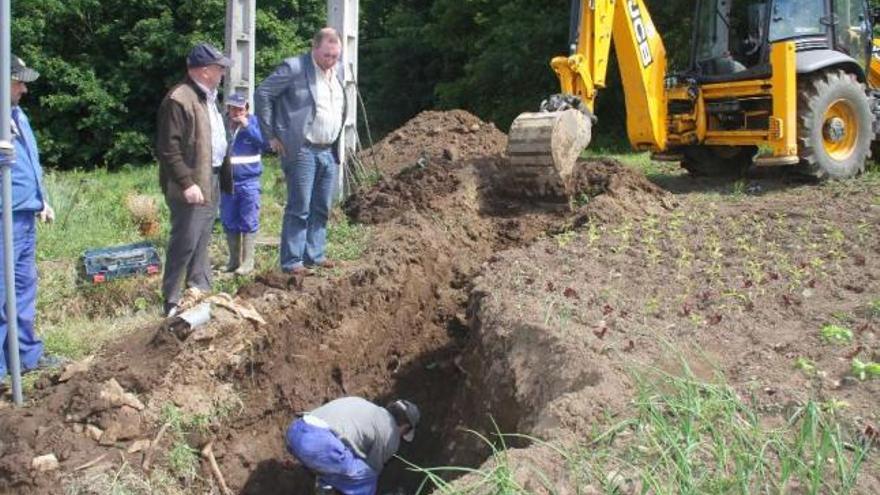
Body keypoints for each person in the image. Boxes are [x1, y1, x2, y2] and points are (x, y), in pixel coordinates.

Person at [255, 27, 347, 275]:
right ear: (314, 48)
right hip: (302, 149)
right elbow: (263, 93)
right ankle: (292, 261)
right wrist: (271, 135)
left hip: (328, 149)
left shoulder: (337, 71)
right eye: (327, 55)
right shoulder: (294, 68)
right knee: (300, 206)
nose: (331, 61)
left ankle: (314, 255)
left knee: (321, 207)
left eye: (335, 56)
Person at [156, 43, 233, 316]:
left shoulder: (207, 96)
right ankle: (172, 300)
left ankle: (199, 288)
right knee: (185, 239)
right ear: (203, 71)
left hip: (209, 176)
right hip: (190, 182)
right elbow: (168, 148)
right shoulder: (180, 98)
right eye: (219, 68)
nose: (222, 72)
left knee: (202, 238)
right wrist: (187, 184)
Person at [1, 55, 60, 383]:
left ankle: (25, 356)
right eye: (18, 81)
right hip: (2, 217)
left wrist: (42, 200)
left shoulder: (17, 115)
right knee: (0, 293)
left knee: (23, 289)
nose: (24, 88)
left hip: (24, 214)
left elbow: (28, 162)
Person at [285, 397, 420, 495]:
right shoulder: (392, 434)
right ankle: (326, 487)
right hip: (321, 445)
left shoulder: (363, 404)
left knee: (347, 460)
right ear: (405, 427)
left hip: (296, 431)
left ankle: (325, 487)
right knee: (367, 479)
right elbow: (371, 469)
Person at [220, 93, 266, 275]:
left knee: (249, 220)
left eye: (240, 109)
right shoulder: (222, 125)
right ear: (228, 109)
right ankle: (233, 261)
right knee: (229, 220)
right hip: (227, 181)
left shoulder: (254, 123)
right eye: (233, 108)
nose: (236, 112)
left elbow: (264, 144)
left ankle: (247, 263)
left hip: (249, 181)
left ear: (246, 109)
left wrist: (248, 127)